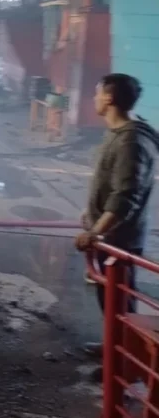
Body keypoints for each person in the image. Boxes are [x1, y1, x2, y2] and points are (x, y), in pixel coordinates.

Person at [75, 74, 159, 338]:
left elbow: (125, 196)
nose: (94, 98)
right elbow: (110, 184)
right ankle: (114, 352)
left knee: (120, 302)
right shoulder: (120, 134)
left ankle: (123, 362)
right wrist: (91, 212)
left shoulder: (131, 142)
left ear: (108, 98)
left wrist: (96, 231)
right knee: (110, 299)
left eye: (97, 93)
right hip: (110, 237)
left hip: (118, 240)